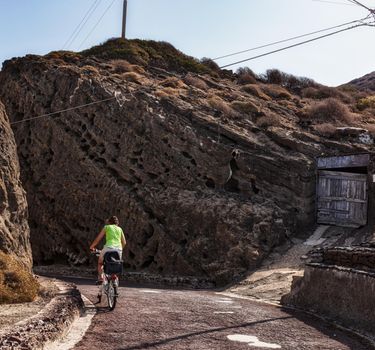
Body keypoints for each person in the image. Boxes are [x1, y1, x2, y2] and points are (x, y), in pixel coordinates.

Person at [90, 216, 126, 282]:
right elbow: (124, 242)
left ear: (109, 222)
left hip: (108, 248)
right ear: (117, 223)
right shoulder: (120, 229)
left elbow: (98, 239)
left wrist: (92, 247)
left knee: (100, 263)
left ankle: (101, 278)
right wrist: (120, 249)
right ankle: (114, 276)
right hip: (118, 250)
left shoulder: (107, 227)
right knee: (115, 262)